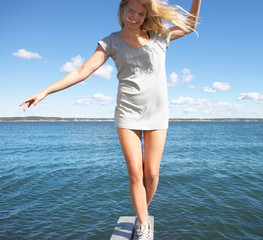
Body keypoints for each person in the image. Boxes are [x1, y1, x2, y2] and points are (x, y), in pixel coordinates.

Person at [20, 0, 201, 239]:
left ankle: (141, 211)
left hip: (157, 112)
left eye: (140, 13)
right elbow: (81, 71)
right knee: (136, 173)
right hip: (127, 113)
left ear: (147, 15)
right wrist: (45, 91)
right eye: (131, 11)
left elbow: (189, 25)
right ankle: (144, 225)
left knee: (153, 174)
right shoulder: (111, 42)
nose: (134, 17)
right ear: (123, 9)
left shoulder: (159, 36)